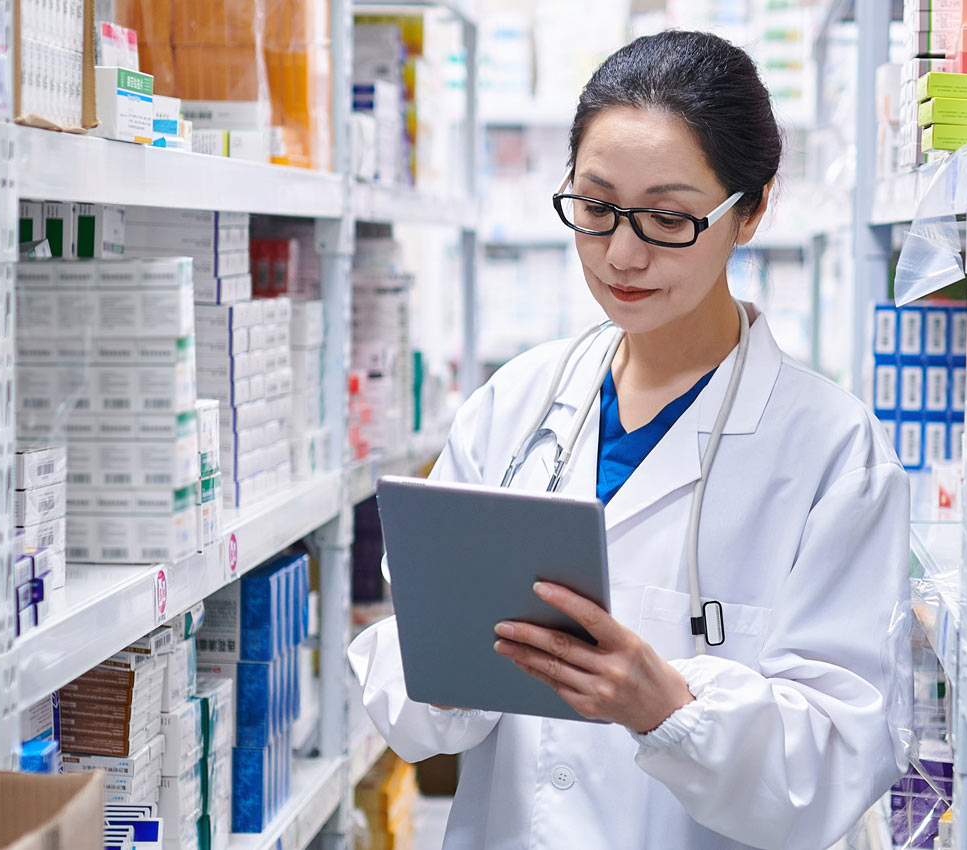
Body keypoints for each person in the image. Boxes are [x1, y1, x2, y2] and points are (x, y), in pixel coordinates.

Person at [348, 30, 912, 850]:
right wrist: (448, 673)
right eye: (596, 206)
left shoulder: (831, 453)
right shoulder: (514, 408)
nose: (621, 253)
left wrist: (670, 710)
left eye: (668, 219)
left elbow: (837, 762)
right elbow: (410, 683)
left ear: (748, 211)